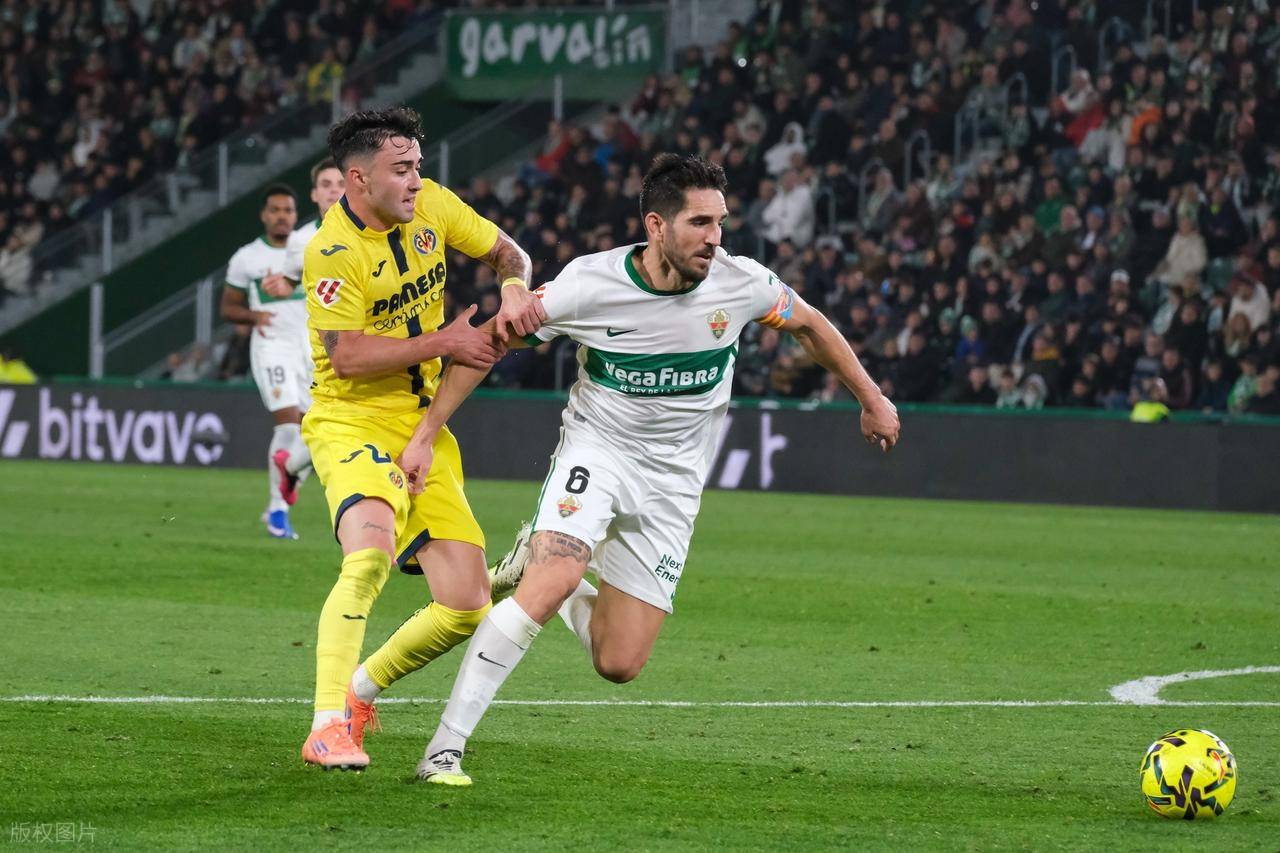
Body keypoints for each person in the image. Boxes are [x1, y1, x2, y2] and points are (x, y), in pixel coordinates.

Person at [349, 154, 901, 785]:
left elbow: (810, 325)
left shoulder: (742, 283)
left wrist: (871, 397)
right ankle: (444, 750)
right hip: (598, 452)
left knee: (619, 662)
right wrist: (427, 433)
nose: (715, 238)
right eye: (699, 223)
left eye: (720, 222)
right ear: (656, 226)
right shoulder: (589, 285)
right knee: (556, 577)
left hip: (674, 484)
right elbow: (492, 343)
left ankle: (534, 559)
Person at [297, 106, 545, 770]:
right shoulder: (331, 251)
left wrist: (513, 289)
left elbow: (509, 252)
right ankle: (325, 727)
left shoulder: (432, 204)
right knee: (369, 556)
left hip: (422, 422)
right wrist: (445, 341)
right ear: (358, 178)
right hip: (351, 419)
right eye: (400, 169)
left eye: (417, 167)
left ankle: (358, 692)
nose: (414, 181)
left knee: (465, 604)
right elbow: (347, 356)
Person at [219, 184, 310, 539]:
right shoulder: (247, 258)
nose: (282, 216)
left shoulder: (309, 249)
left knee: (314, 431)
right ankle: (278, 511)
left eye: (288, 210)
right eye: (275, 210)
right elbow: (228, 308)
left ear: (295, 214)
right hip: (272, 347)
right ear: (264, 215)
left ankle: (287, 482)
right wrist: (254, 316)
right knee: (288, 426)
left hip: (310, 348)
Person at [257, 158, 347, 512]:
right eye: (326, 185)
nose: (334, 191)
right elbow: (292, 282)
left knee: (338, 423)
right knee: (336, 421)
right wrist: (283, 287)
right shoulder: (301, 241)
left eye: (340, 183)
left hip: (367, 339)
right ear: (314, 194)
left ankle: (291, 466)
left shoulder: (372, 229)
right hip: (326, 348)